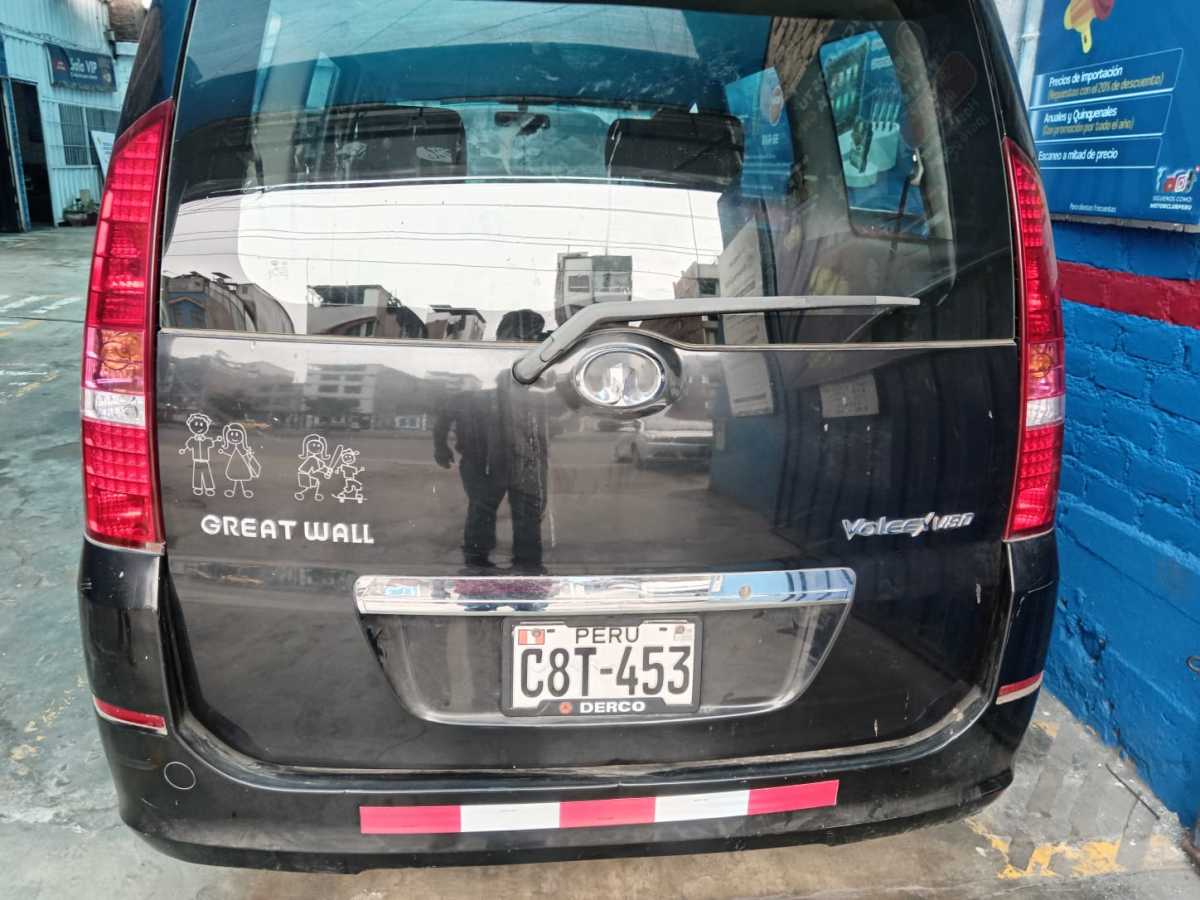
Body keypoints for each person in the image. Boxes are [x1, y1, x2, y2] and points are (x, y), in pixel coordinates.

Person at [433, 310, 550, 570]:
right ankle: (479, 563)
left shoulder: (539, 375)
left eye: (533, 334)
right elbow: (448, 410)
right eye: (523, 333)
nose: (528, 340)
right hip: (483, 461)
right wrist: (440, 445)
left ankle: (524, 564)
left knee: (524, 515)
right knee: (483, 512)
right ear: (503, 335)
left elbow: (550, 420)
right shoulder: (483, 370)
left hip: (523, 459)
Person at [218, 422, 262, 498]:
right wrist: (223, 451)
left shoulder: (241, 448)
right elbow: (230, 454)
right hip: (235, 465)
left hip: (241, 464)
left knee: (240, 478)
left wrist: (249, 453)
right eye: (231, 434)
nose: (234, 437)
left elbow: (244, 454)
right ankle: (234, 491)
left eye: (237, 434)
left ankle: (243, 491)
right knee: (235, 478)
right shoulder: (235, 448)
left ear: (243, 437)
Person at [179, 413, 216, 496]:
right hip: (196, 460)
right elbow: (189, 446)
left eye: (202, 424)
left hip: (205, 460)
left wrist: (209, 440)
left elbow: (211, 444)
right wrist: (184, 450)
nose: (199, 427)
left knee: (206, 474)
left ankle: (209, 488)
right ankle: (198, 488)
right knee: (197, 475)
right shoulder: (192, 440)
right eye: (195, 424)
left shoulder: (206, 440)